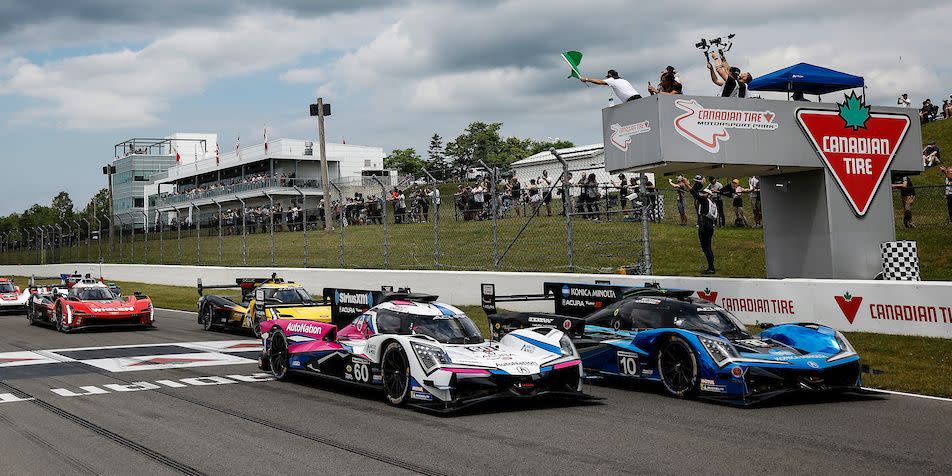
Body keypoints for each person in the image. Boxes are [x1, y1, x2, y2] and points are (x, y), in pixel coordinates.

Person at [683, 175, 716, 274]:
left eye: (705, 193)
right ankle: (711, 266)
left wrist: (686, 183)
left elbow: (694, 193)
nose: (703, 194)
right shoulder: (711, 203)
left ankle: (711, 268)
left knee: (705, 247)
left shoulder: (704, 200)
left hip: (704, 225)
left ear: (708, 195)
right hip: (710, 225)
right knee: (708, 246)